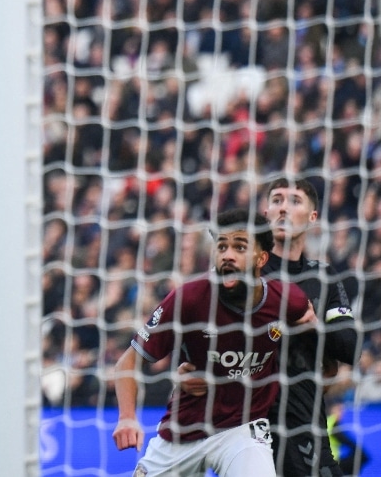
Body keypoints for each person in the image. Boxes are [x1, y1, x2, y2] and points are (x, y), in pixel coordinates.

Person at [112, 209, 317, 477]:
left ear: (261, 258)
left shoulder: (288, 300)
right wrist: (127, 417)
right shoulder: (189, 298)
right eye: (221, 247)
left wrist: (310, 330)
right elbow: (127, 362)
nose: (227, 255)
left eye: (239, 247)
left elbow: (309, 328)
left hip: (242, 430)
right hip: (184, 431)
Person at [263, 177, 359, 476]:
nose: (283, 208)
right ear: (266, 213)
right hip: (249, 420)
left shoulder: (323, 277)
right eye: (277, 200)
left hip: (304, 419)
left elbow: (350, 347)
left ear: (312, 217)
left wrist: (314, 326)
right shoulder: (248, 274)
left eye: (294, 201)